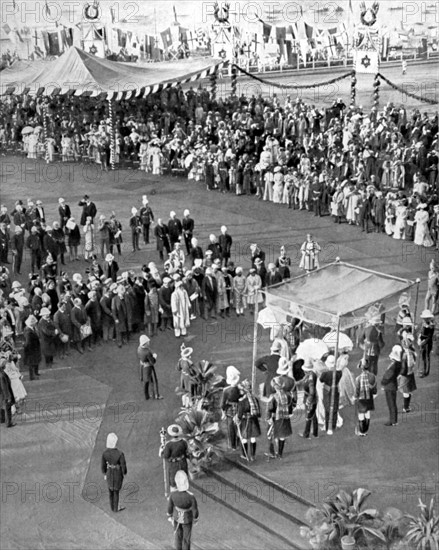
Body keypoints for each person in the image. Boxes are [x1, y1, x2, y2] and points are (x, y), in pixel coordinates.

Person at [167, 470, 199, 550]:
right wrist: (195, 518)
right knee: (186, 539)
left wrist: (170, 515)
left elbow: (169, 508)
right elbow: (195, 510)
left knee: (178, 537)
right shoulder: (191, 496)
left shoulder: (173, 495)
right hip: (187, 518)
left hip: (177, 517)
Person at [265, 376, 294, 459]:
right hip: (285, 418)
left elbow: (270, 408)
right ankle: (280, 454)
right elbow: (290, 407)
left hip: (276, 418)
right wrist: (290, 413)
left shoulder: (273, 397)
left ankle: (272, 453)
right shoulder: (288, 395)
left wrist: (268, 418)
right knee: (282, 436)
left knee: (270, 435)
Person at [101, 433, 127, 513]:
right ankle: (116, 508)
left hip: (109, 473)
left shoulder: (105, 453)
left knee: (110, 491)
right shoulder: (120, 453)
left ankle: (112, 507)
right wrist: (124, 472)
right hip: (117, 474)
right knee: (116, 491)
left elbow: (103, 466)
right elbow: (123, 465)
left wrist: (105, 473)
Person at [236, 379, 261, 461]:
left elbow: (239, 414)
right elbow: (259, 412)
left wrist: (237, 419)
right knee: (253, 438)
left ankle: (245, 454)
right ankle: (253, 455)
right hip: (253, 421)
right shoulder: (255, 399)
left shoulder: (242, 402)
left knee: (244, 438)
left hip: (245, 421)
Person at [160, 424, 189, 490]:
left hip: (173, 465)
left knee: (173, 480)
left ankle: (175, 494)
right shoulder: (183, 442)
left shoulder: (169, 445)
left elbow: (166, 456)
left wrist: (162, 451)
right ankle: (184, 490)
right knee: (184, 477)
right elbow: (186, 452)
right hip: (183, 462)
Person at [319, 355, 343, 435]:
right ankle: (333, 425)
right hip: (335, 389)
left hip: (327, 390)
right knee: (335, 407)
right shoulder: (339, 372)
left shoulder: (326, 373)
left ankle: (327, 426)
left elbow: (321, 380)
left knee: (327, 407)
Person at [354, 357, 377, 436]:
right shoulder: (372, 376)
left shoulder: (358, 378)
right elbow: (374, 388)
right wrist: (374, 393)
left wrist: (355, 397)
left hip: (361, 399)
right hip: (369, 397)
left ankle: (362, 431)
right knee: (367, 412)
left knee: (361, 414)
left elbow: (357, 391)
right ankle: (366, 430)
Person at [381, 345, 402, 426]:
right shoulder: (398, 364)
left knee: (391, 404)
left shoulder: (393, 366)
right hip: (393, 385)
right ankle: (394, 420)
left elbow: (387, 376)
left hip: (389, 386)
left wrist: (383, 382)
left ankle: (393, 420)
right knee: (393, 403)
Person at [220, 366, 241, 450]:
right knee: (238, 426)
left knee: (230, 427)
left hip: (229, 410)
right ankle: (238, 442)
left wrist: (223, 411)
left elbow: (222, 404)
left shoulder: (226, 390)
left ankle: (232, 445)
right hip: (238, 408)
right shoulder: (240, 389)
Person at [137, 334, 162, 400]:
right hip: (148, 367)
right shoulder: (147, 352)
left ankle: (146, 396)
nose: (149, 343)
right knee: (153, 380)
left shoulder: (139, 348)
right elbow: (152, 362)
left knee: (145, 381)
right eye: (147, 342)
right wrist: (154, 357)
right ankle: (156, 395)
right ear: (145, 343)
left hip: (142, 366)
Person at [299, 360, 319, 439]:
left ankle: (306, 434)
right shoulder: (311, 374)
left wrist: (309, 400)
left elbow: (312, 391)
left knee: (308, 416)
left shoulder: (310, 378)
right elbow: (303, 381)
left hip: (310, 399)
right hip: (311, 398)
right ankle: (315, 433)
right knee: (313, 416)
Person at [399, 331, 417, 413]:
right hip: (410, 373)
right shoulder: (412, 352)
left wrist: (400, 374)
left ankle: (406, 407)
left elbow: (404, 367)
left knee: (405, 391)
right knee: (408, 391)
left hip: (405, 374)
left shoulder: (406, 354)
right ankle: (407, 406)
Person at [23, 315, 41, 380]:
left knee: (36, 361)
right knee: (31, 363)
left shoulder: (32, 328)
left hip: (34, 348)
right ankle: (32, 376)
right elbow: (28, 342)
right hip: (31, 349)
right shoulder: (28, 331)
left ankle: (36, 373)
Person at [418, 309, 435, 378]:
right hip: (422, 341)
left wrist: (423, 342)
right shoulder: (423, 324)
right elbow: (421, 332)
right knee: (423, 356)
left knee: (427, 356)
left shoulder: (431, 326)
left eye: (425, 318)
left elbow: (429, 337)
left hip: (427, 343)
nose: (424, 320)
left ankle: (426, 371)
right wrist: (419, 338)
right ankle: (423, 369)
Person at [0, 357, 15, 428]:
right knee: (7, 408)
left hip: (1, 394)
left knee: (2, 406)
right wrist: (8, 397)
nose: (6, 365)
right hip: (5, 394)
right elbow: (4, 387)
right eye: (4, 364)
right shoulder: (2, 375)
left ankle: (2, 420)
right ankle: (8, 423)